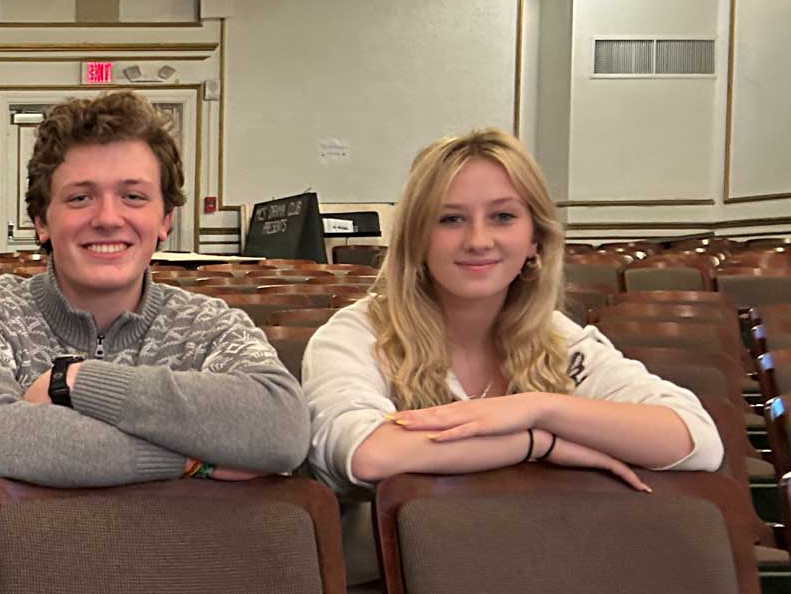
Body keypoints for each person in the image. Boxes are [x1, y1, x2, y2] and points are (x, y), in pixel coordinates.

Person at [304, 128, 721, 495]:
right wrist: (538, 443)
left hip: (533, 560)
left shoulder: (559, 337)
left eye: (503, 216)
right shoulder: (353, 335)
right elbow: (369, 454)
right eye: (450, 219)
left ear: (535, 240)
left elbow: (696, 439)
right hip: (393, 574)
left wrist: (540, 408)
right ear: (416, 239)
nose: (479, 240)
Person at [0, 90, 310, 489]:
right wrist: (194, 461)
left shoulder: (207, 324)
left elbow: (282, 426)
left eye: (133, 196)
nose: (109, 218)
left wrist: (75, 382)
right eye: (81, 197)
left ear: (164, 219)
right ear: (41, 221)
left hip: (176, 549)